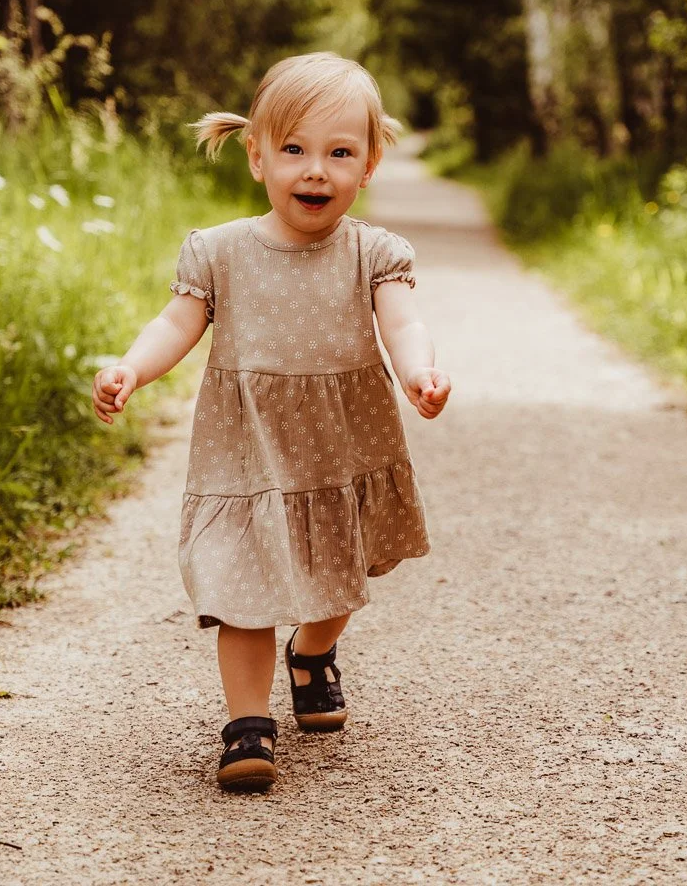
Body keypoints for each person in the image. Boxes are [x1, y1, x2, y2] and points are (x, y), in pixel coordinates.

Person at [91, 51, 451, 792]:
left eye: (339, 153)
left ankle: (313, 654)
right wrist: (132, 366)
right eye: (294, 150)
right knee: (242, 584)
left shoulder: (374, 253)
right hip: (247, 449)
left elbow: (404, 324)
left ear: (370, 164)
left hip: (339, 447)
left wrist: (421, 373)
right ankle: (246, 724)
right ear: (257, 156)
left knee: (338, 575)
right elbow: (176, 321)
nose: (315, 170)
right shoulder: (218, 251)